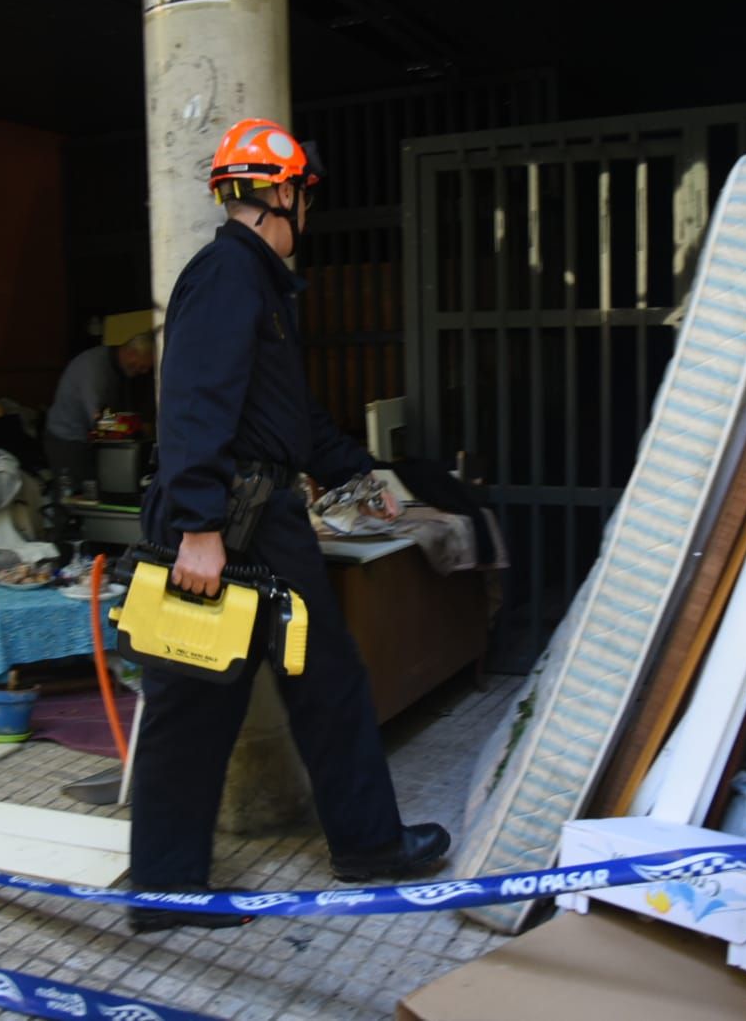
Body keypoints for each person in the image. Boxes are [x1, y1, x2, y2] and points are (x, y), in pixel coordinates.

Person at [128, 118, 449, 933]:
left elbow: (285, 414)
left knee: (327, 680)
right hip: (225, 525)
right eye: (303, 190)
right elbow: (193, 404)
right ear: (278, 192)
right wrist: (198, 527)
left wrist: (357, 474)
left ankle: (368, 845)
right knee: (193, 701)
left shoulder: (259, 282)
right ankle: (164, 891)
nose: (308, 204)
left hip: (262, 517)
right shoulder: (227, 276)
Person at [42, 332, 155, 498]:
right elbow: (100, 422)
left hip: (89, 439)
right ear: (132, 353)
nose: (144, 371)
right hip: (67, 440)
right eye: (143, 366)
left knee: (94, 494)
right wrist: (134, 427)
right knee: (71, 499)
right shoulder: (94, 370)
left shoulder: (120, 367)